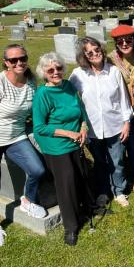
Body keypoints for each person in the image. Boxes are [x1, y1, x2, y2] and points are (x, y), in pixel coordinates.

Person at [32, 52, 93, 246]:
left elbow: (81, 111)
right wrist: (69, 134)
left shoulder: (68, 86)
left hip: (76, 140)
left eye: (58, 68)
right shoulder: (42, 94)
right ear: (44, 72)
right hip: (56, 145)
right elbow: (39, 127)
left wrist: (83, 128)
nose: (56, 72)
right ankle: (71, 227)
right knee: (66, 184)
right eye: (50, 69)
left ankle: (87, 208)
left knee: (81, 176)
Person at [70, 37, 132, 207]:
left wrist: (126, 122)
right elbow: (67, 96)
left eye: (97, 49)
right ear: (84, 56)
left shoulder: (113, 71)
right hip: (92, 128)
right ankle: (103, 191)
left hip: (115, 125)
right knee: (100, 162)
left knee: (117, 160)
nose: (95, 54)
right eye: (89, 52)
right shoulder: (78, 74)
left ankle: (119, 191)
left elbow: (123, 99)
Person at [0, 44, 47, 219]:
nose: (19, 62)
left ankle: (27, 201)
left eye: (23, 58)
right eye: (13, 60)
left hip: (16, 137)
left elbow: (36, 111)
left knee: (37, 170)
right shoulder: (1, 82)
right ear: (6, 63)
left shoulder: (31, 84)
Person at [109, 25, 134, 192]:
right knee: (131, 146)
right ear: (116, 43)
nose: (125, 43)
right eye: (120, 41)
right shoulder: (111, 60)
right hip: (125, 113)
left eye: (128, 40)